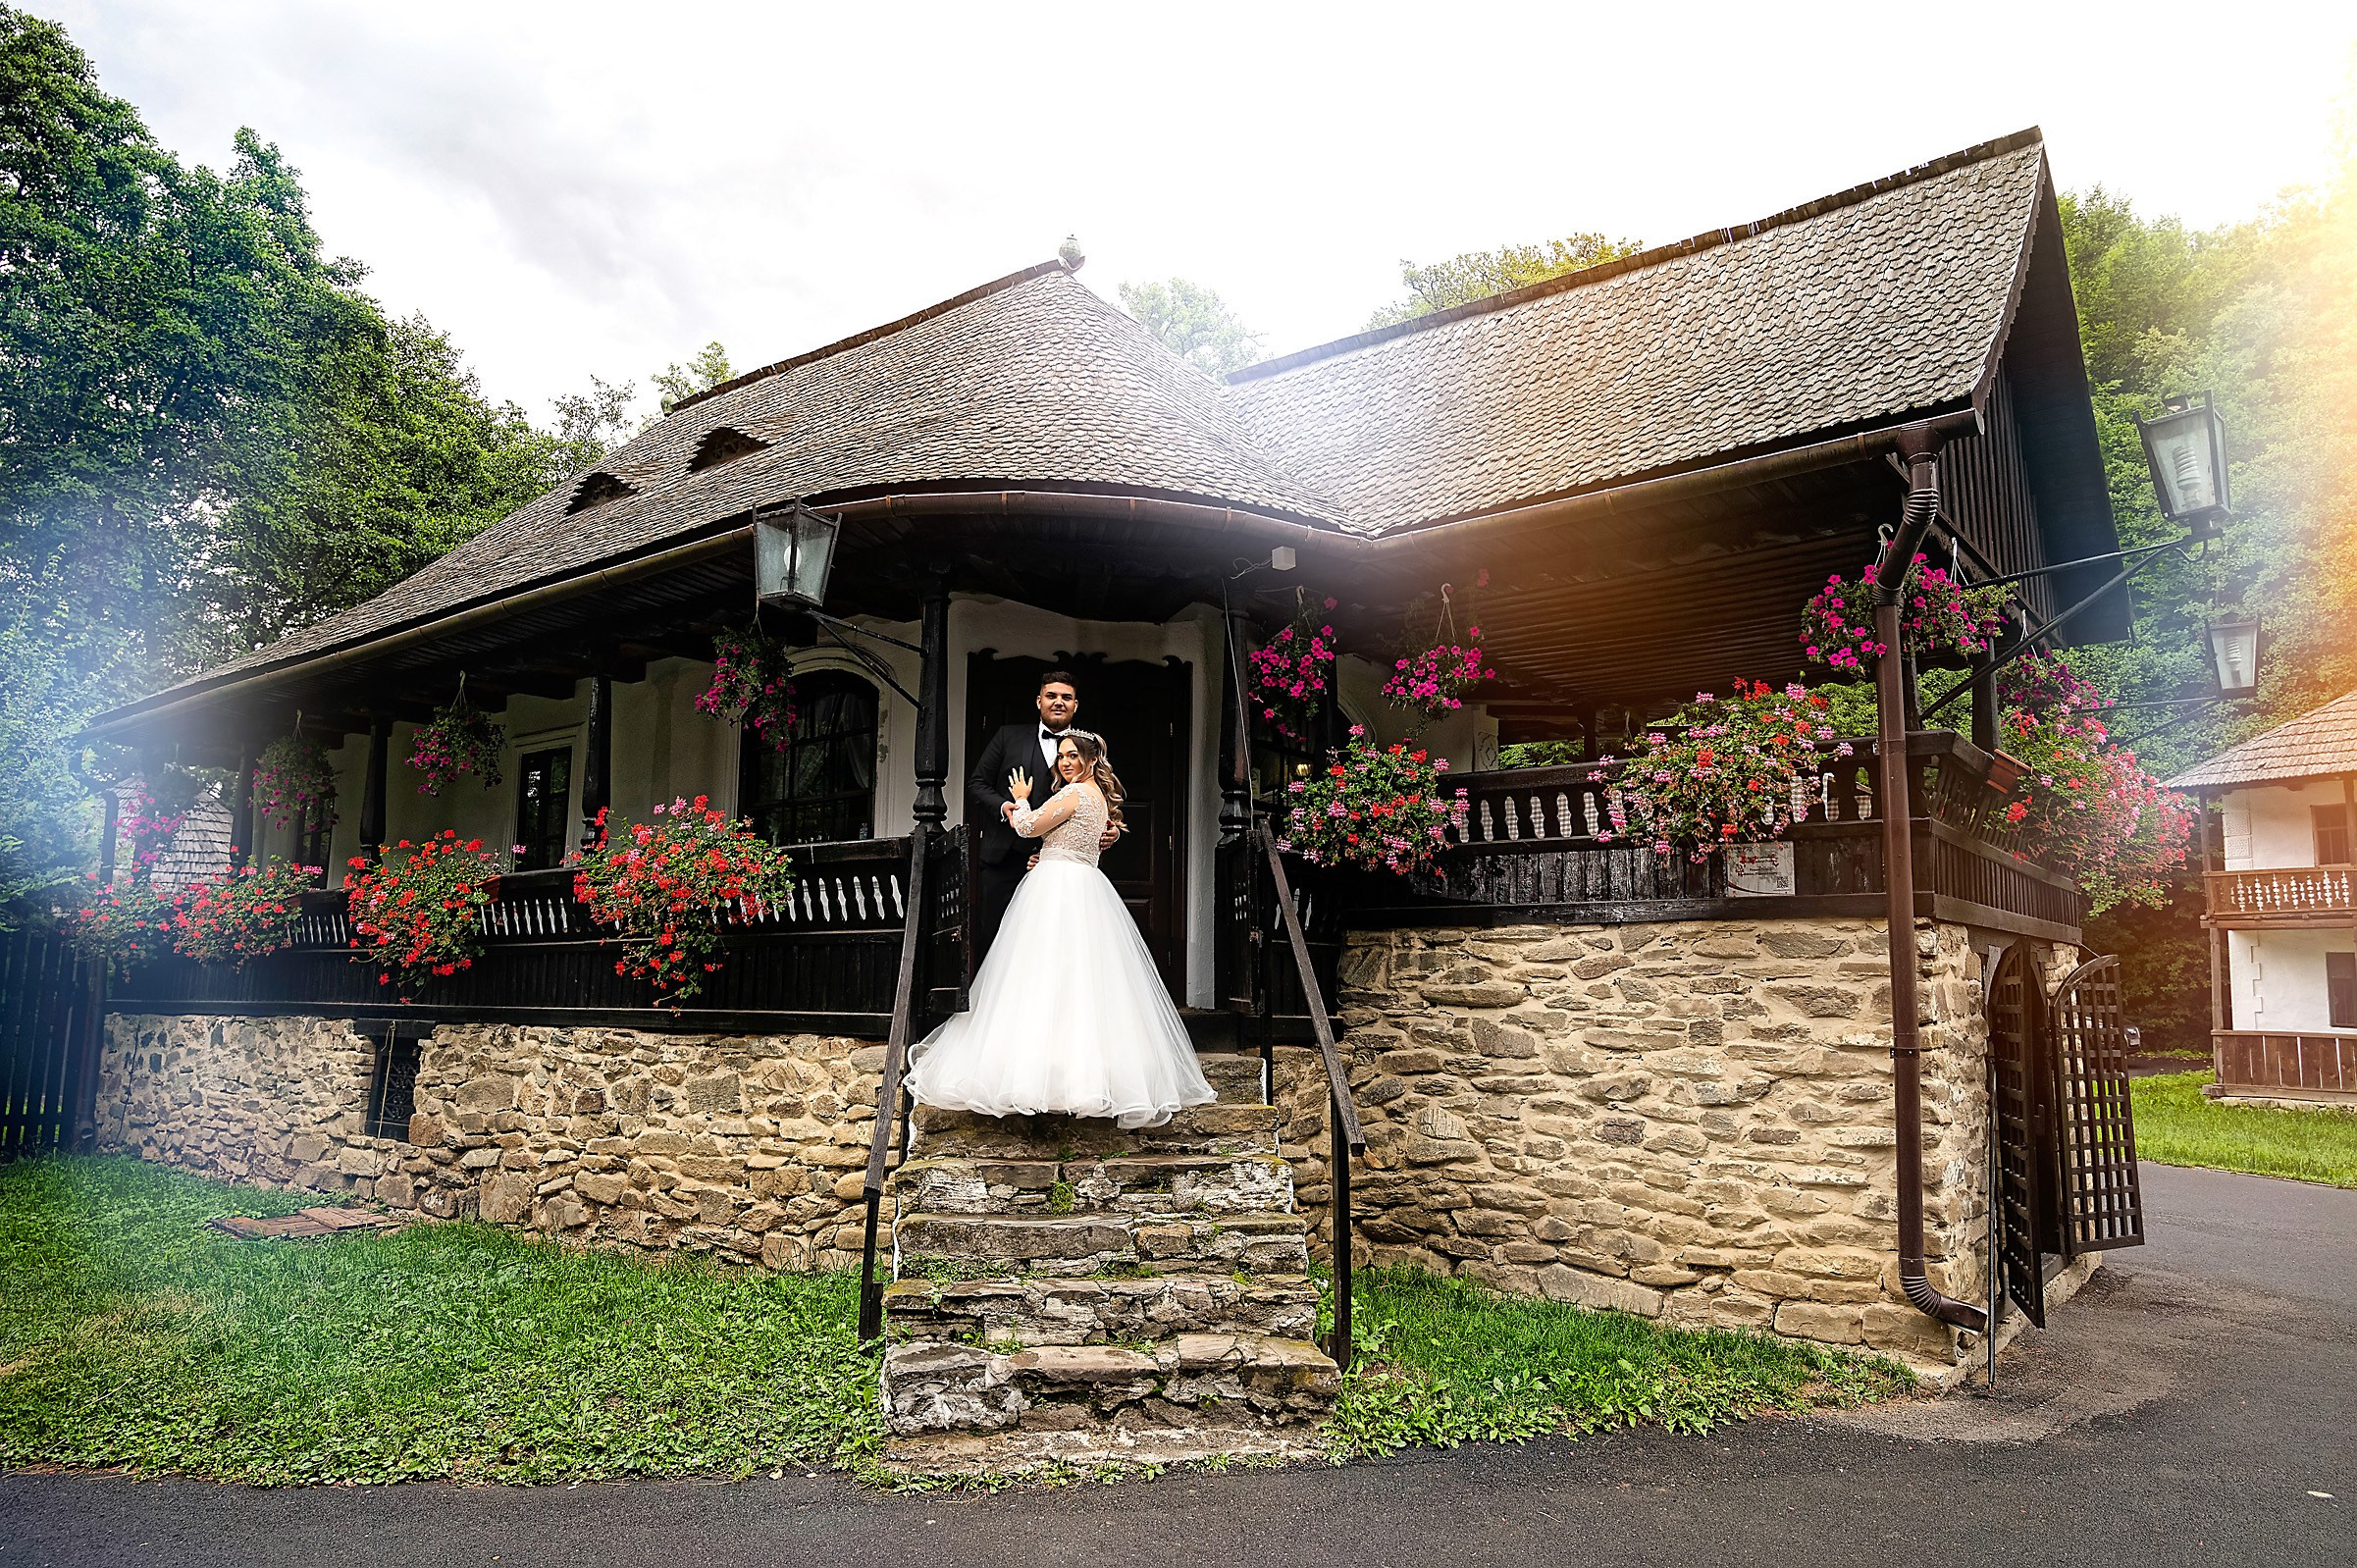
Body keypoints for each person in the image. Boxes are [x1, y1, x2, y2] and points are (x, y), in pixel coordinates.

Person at [907, 729, 1214, 1129]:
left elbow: (1028, 826)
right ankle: (1072, 1075)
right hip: (1081, 883)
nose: (1065, 762)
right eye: (1062, 757)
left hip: (1059, 887)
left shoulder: (1073, 794)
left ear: (1090, 759)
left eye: (1073, 755)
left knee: (1042, 975)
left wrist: (1019, 798)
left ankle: (1042, 1077)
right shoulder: (1097, 797)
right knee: (1075, 979)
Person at [964, 669, 1116, 959]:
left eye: (1066, 697)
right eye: (1051, 696)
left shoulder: (1083, 749)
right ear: (1039, 701)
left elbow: (1098, 798)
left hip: (1058, 864)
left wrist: (1111, 830)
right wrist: (1004, 805)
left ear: (1075, 705)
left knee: (1055, 946)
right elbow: (977, 783)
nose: (1058, 702)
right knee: (996, 937)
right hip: (1004, 857)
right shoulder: (1008, 736)